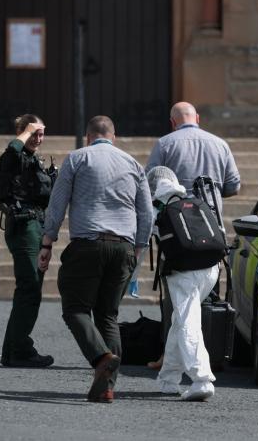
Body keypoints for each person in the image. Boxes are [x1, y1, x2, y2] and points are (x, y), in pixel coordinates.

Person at [38, 115, 153, 403]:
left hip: (87, 245)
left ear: (88, 136)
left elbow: (58, 202)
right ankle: (107, 387)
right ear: (113, 136)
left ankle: (101, 357)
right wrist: (139, 247)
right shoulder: (133, 163)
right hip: (123, 247)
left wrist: (47, 240)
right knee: (108, 315)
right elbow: (147, 213)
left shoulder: (77, 159)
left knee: (75, 309)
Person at [145, 101, 241, 396]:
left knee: (186, 317)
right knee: (186, 316)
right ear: (197, 118)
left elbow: (148, 183)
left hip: (181, 252)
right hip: (212, 245)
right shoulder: (220, 144)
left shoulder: (165, 143)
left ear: (173, 122)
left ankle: (202, 379)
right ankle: (169, 379)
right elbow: (233, 185)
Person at [0, 114, 55, 369]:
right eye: (33, 134)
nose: (38, 139)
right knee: (30, 288)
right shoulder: (13, 157)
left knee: (27, 289)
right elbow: (12, 151)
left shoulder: (33, 161)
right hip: (25, 226)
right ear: (22, 134)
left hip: (36, 225)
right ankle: (21, 350)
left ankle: (12, 351)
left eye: (41, 134)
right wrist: (25, 132)